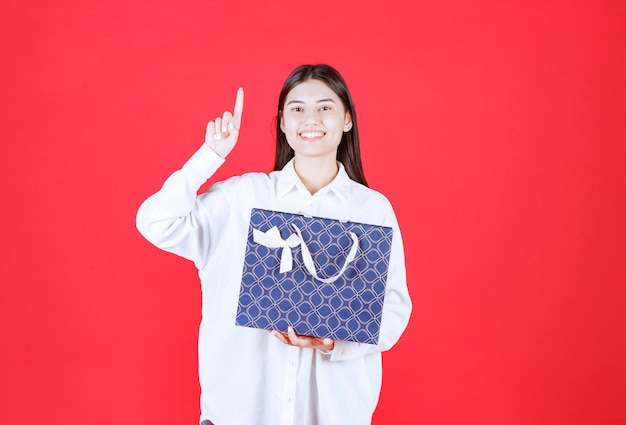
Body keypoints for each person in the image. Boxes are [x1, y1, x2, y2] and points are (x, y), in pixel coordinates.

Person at [136, 64, 412, 425]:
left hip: (332, 413)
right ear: (282, 122)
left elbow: (393, 310)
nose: (310, 118)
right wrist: (210, 155)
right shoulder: (242, 199)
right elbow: (156, 223)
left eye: (325, 107)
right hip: (240, 412)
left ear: (347, 120)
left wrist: (334, 342)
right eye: (297, 109)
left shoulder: (372, 211)